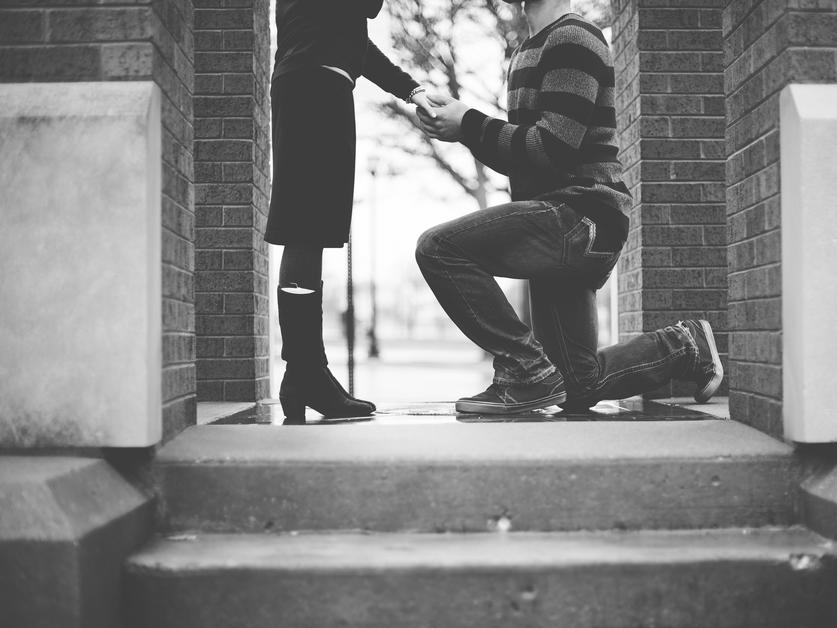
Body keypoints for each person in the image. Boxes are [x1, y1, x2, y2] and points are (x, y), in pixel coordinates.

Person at [415, 0, 723, 414]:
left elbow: (554, 147)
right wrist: (461, 130)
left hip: (582, 215)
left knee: (440, 248)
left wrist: (468, 123)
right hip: (558, 217)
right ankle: (684, 345)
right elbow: (526, 153)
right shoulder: (530, 48)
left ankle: (524, 371)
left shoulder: (573, 37)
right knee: (575, 385)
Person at [267, 0, 434, 421]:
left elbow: (352, 38)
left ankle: (304, 373)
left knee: (308, 231)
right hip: (315, 89)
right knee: (306, 230)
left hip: (313, 84)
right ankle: (305, 373)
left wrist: (411, 89)